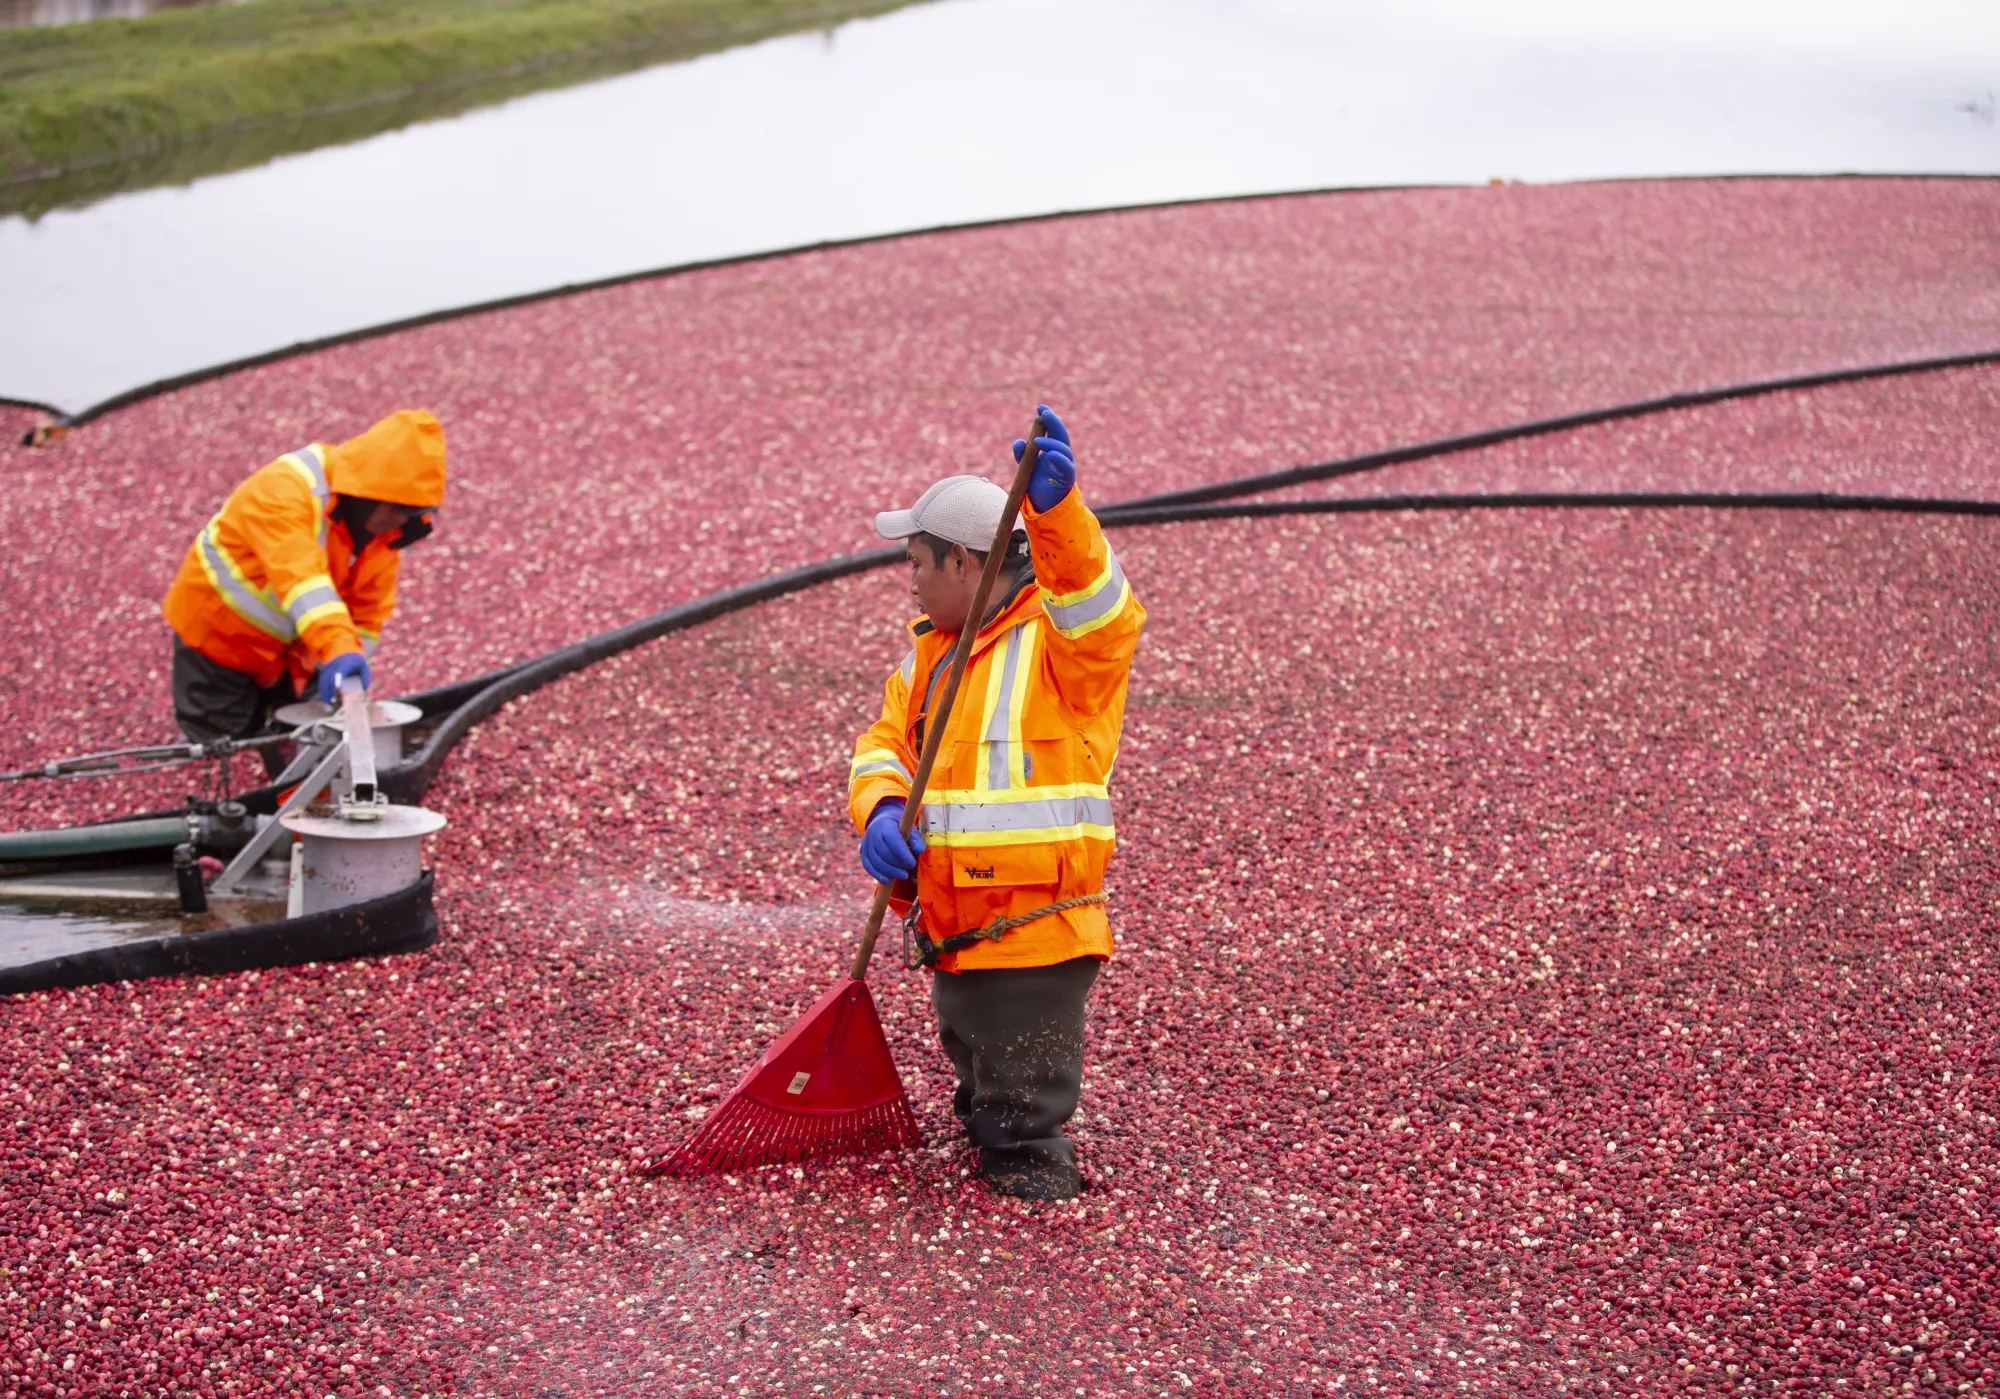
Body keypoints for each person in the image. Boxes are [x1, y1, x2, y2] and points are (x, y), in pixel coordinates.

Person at [848, 405, 1144, 1201]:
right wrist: (879, 808)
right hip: (953, 909)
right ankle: (988, 1114)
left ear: (963, 560)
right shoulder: (928, 658)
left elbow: (1102, 609)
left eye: (917, 560)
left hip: (1038, 916)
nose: (908, 577)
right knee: (970, 1026)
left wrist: (1058, 516)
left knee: (1026, 1055)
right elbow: (884, 745)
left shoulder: (1058, 644)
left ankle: (1029, 1164)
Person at [161, 409, 446, 755]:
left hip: (291, 655)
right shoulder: (284, 492)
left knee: (294, 750)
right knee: (222, 754)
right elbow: (302, 582)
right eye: (400, 510)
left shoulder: (380, 533)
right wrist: (338, 651)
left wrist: (347, 669)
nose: (402, 522)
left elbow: (367, 614)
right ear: (370, 492)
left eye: (413, 514)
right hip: (219, 642)